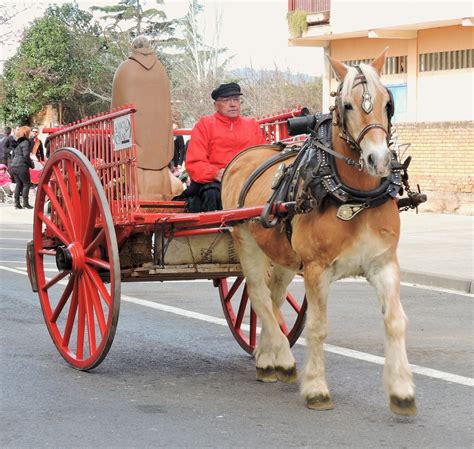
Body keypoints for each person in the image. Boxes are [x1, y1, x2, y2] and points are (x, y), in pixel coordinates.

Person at [182, 82, 266, 212]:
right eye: (227, 100)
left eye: (236, 99)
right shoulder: (204, 125)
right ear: (216, 105)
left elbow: (263, 157)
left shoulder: (252, 125)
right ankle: (217, 230)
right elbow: (195, 163)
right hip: (216, 181)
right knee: (212, 193)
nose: (233, 104)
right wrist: (216, 173)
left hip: (249, 179)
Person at [10, 126, 34, 209]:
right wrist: (31, 164)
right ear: (26, 133)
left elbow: (13, 155)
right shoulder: (25, 143)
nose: (31, 133)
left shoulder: (18, 142)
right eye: (29, 131)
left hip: (14, 166)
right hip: (21, 166)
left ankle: (17, 203)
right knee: (27, 183)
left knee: (19, 184)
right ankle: (25, 203)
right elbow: (26, 156)